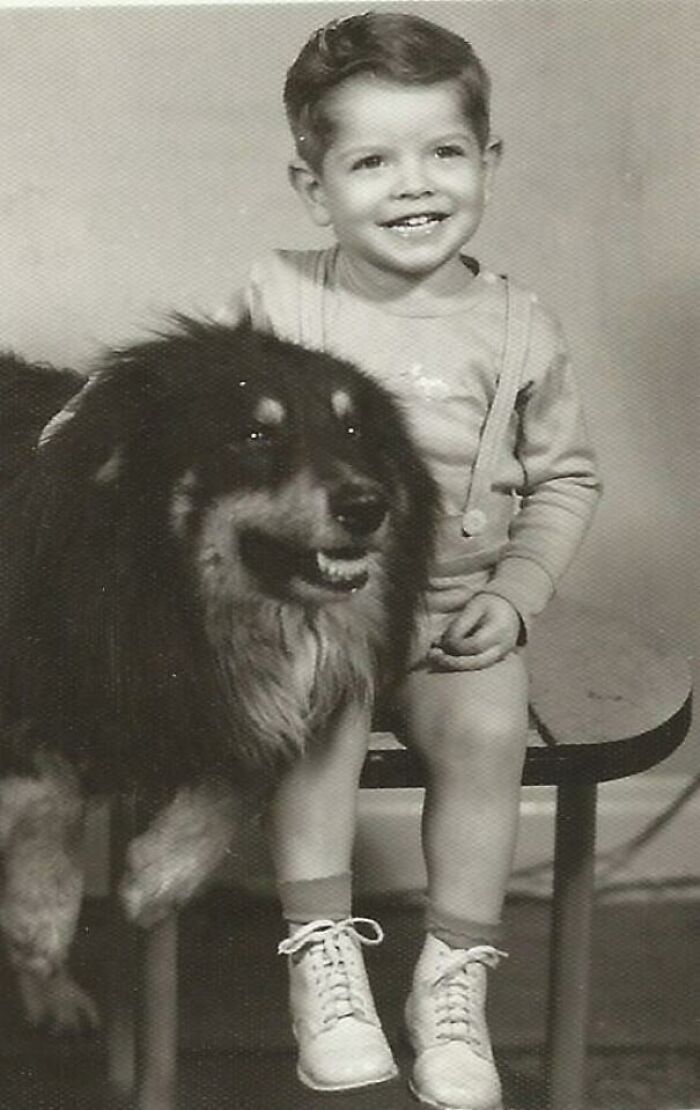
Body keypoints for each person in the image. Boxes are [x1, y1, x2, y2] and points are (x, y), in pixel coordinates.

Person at [219, 12, 601, 1110]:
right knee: (317, 708)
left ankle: (452, 978)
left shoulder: (518, 326)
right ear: (313, 185)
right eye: (371, 161)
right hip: (316, 604)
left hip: (452, 609)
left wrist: (517, 599)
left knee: (488, 727)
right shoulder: (281, 296)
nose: (413, 185)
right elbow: (178, 402)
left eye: (443, 152)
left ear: (487, 162)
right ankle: (321, 953)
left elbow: (567, 477)